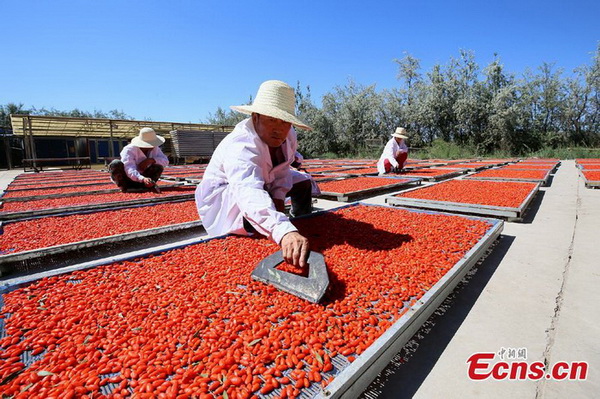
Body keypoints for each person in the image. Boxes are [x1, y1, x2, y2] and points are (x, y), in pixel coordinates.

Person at [195, 80, 313, 268]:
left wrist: (279, 198)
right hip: (227, 193)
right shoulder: (241, 146)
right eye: (272, 119)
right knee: (255, 214)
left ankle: (302, 222)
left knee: (304, 182)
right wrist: (283, 230)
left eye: (284, 122)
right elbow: (248, 192)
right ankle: (282, 233)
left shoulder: (288, 136)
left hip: (264, 181)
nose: (278, 128)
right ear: (256, 117)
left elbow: (283, 171)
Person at [109, 127, 169, 193]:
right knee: (115, 163)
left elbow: (165, 160)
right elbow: (129, 168)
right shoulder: (129, 150)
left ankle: (147, 185)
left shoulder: (155, 148)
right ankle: (124, 187)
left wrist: (151, 160)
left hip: (145, 178)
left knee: (158, 166)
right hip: (127, 179)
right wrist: (142, 178)